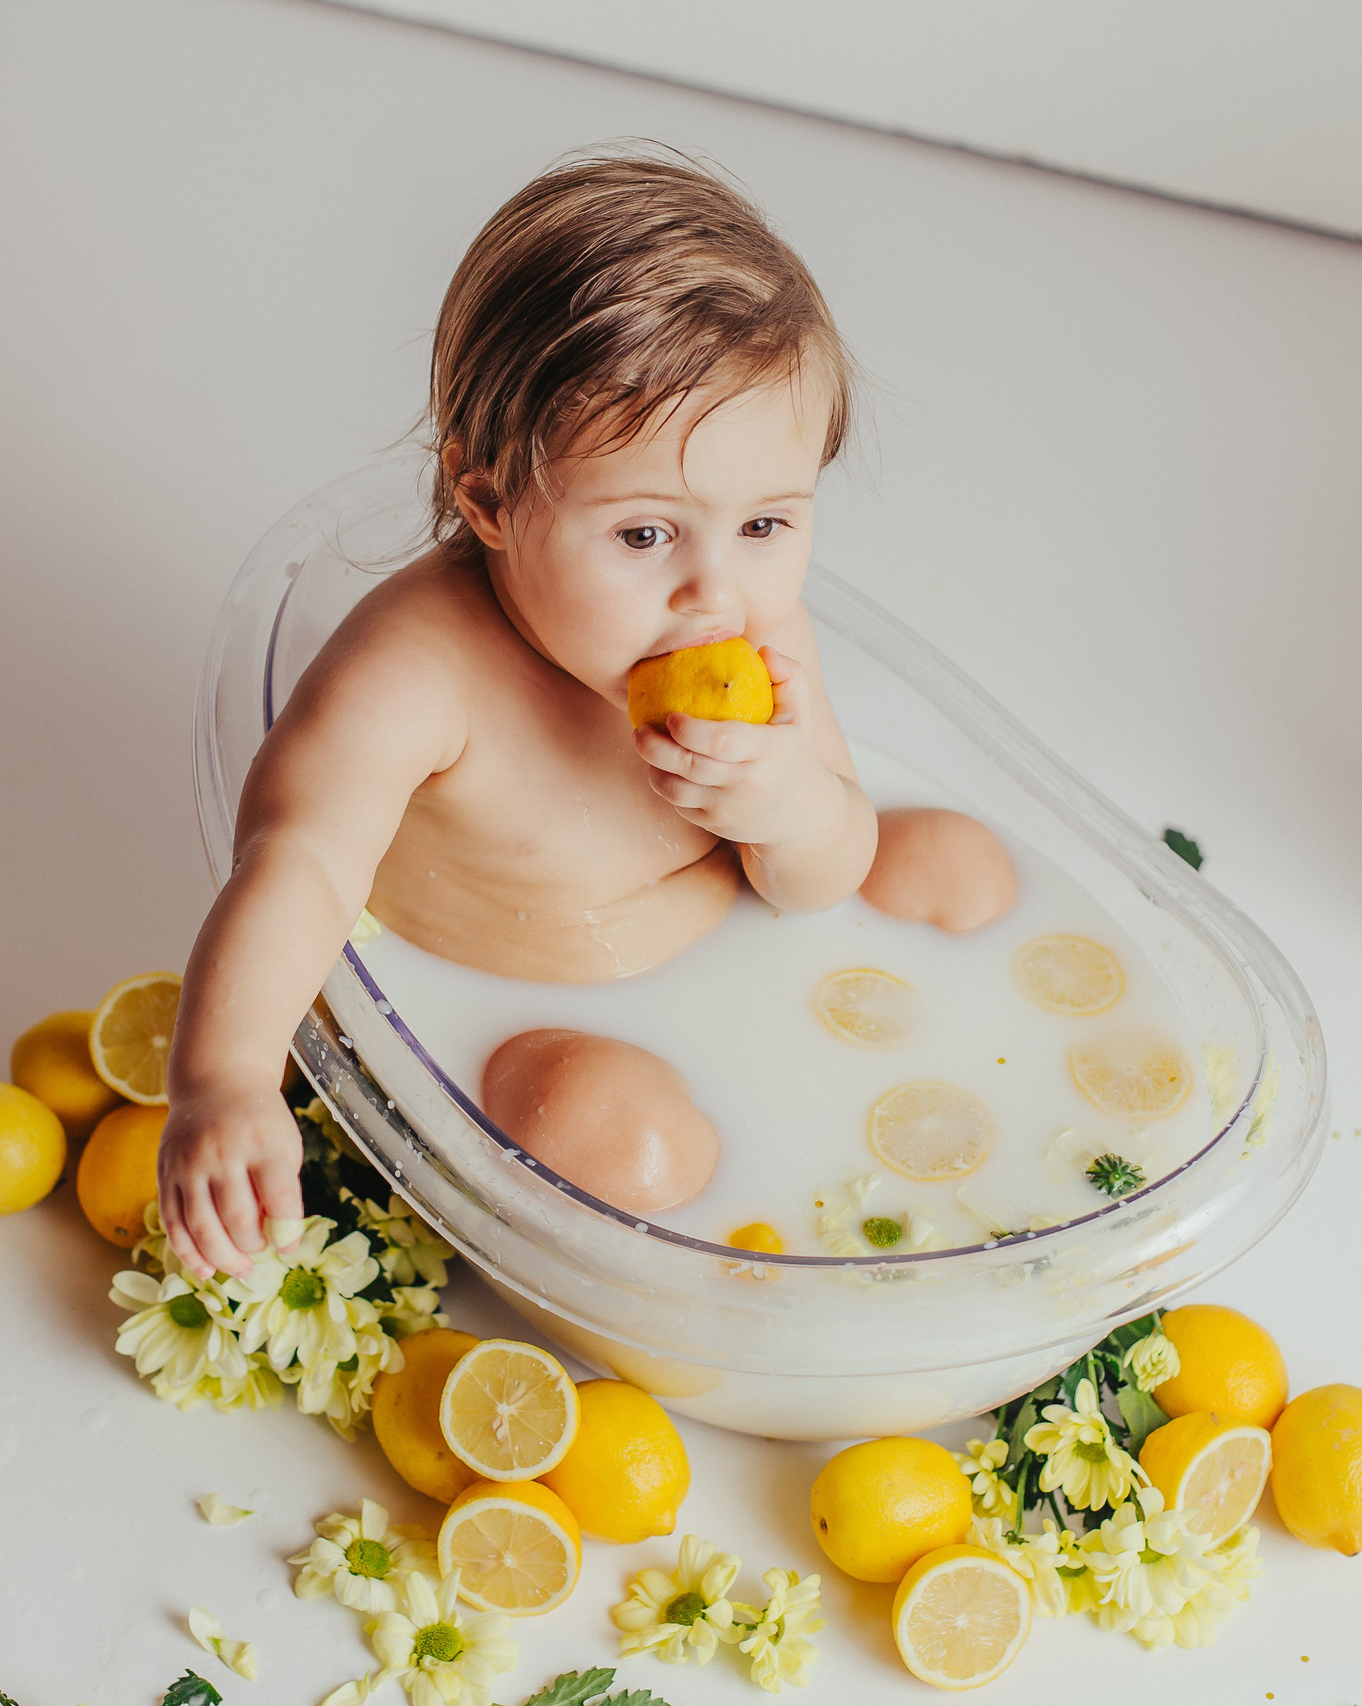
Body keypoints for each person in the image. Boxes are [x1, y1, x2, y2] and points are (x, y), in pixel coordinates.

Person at [157, 152, 878, 1279]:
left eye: (766, 525)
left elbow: (821, 876)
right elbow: (296, 861)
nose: (716, 592)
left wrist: (787, 806)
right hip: (522, 1024)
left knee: (954, 872)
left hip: (737, 978)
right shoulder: (418, 672)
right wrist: (227, 1082)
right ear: (489, 498)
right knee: (619, 1137)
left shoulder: (764, 644)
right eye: (647, 534)